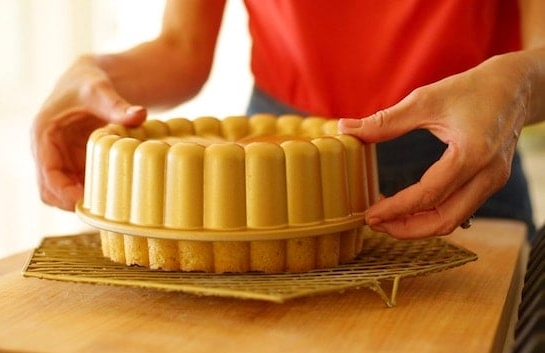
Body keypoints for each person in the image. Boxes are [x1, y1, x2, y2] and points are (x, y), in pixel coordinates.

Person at [31, 0, 545, 242]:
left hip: (462, 167)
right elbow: (181, 51)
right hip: (268, 176)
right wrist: (97, 72)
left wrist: (521, 85)